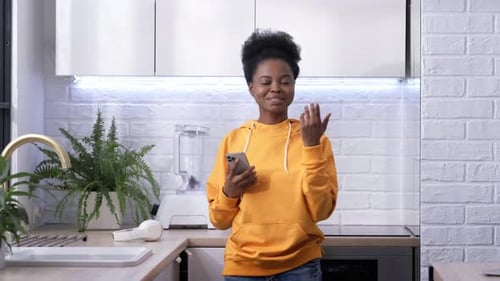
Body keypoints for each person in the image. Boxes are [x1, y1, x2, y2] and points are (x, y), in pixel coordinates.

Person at [206, 29, 338, 281]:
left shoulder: (314, 138)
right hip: (242, 266)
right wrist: (229, 192)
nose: (275, 88)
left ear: (293, 86)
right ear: (251, 87)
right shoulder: (234, 140)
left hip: (301, 265)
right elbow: (219, 220)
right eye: (266, 81)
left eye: (285, 81)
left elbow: (320, 211)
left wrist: (311, 148)